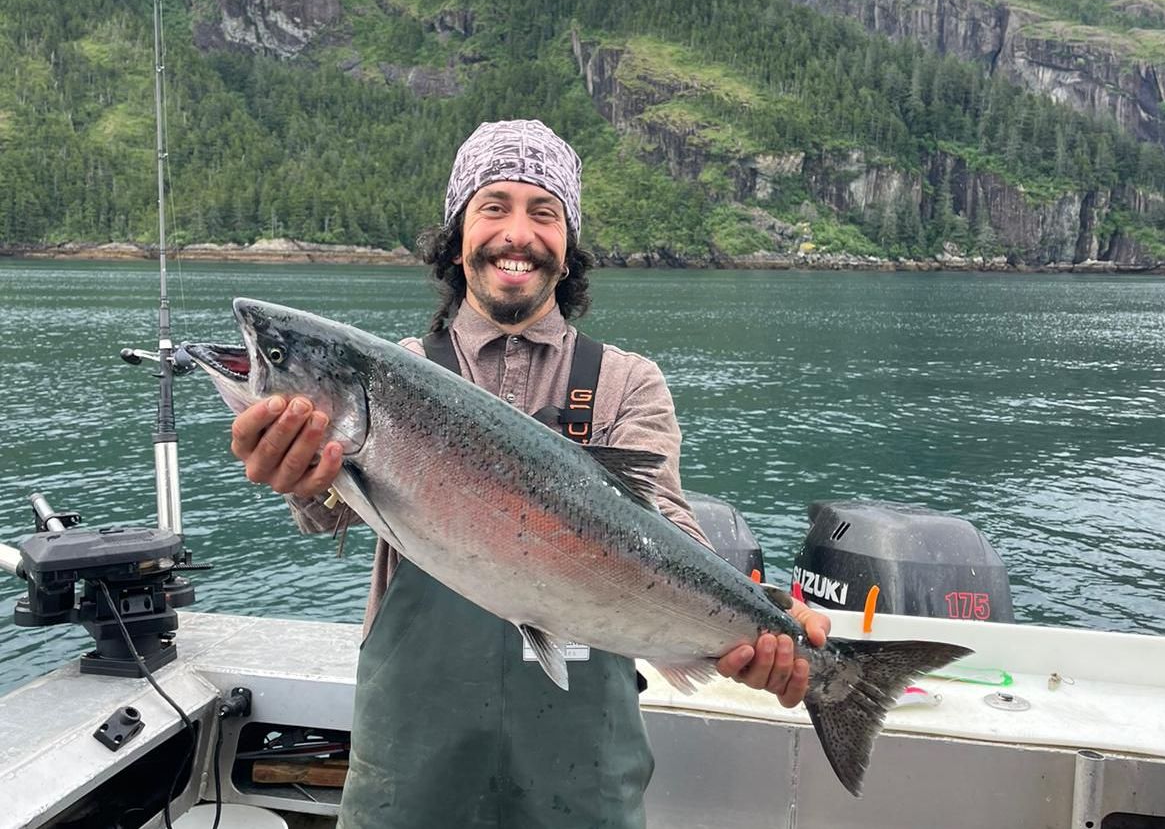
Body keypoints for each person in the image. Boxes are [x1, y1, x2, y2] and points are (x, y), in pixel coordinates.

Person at [227, 119, 831, 828]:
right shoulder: (398, 368)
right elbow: (328, 506)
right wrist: (299, 476)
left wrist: (764, 625)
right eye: (494, 207)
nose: (518, 233)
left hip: (582, 780)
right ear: (457, 236)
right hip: (414, 768)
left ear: (567, 243)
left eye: (544, 213)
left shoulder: (626, 383)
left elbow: (665, 522)